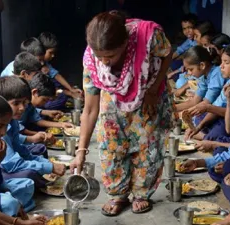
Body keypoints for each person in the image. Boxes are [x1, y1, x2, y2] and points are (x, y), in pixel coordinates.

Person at [70, 11, 173, 216]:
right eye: (100, 56)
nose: (105, 62)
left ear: (126, 43)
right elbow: (90, 108)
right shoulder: (91, 60)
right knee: (110, 149)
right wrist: (80, 151)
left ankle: (141, 194)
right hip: (112, 105)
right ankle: (118, 195)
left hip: (147, 96)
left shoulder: (148, 37)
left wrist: (154, 89)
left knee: (148, 148)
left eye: (110, 55)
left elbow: (167, 53)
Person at [0, 76, 66, 188]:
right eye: (16, 103)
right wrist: (49, 167)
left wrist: (49, 164)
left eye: (24, 103)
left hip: (9, 164)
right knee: (29, 174)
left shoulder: (13, 121)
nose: (22, 108)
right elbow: (13, 164)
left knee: (36, 159)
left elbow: (21, 151)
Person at [184, 44, 230, 141]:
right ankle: (207, 137)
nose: (221, 66)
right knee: (201, 119)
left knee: (219, 129)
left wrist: (208, 107)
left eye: (226, 62)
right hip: (226, 122)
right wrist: (198, 128)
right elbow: (217, 105)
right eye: (221, 61)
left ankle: (208, 138)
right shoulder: (229, 83)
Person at [18, 73, 73, 147]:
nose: (44, 103)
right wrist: (40, 135)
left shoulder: (30, 104)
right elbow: (20, 130)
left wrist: (62, 125)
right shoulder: (21, 107)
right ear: (35, 92)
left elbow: (37, 120)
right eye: (44, 100)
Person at [38, 32, 83, 110]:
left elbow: (57, 75)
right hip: (41, 95)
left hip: (50, 92)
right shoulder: (34, 66)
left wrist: (71, 89)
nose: (53, 55)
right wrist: (70, 93)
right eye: (50, 52)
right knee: (61, 97)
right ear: (41, 51)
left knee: (57, 83)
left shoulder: (46, 64)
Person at [174, 46, 227, 111]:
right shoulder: (203, 76)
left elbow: (206, 103)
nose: (189, 73)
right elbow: (194, 101)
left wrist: (185, 112)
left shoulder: (216, 73)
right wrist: (172, 109)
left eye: (191, 69)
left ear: (202, 65)